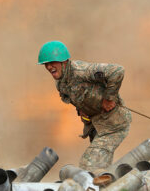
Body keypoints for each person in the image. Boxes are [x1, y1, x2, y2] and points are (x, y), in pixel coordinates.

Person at [38, 40, 131, 171]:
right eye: (46, 64)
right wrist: (82, 110)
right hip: (97, 126)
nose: (48, 67)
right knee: (101, 169)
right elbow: (76, 98)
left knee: (90, 164)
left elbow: (117, 71)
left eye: (52, 62)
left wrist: (109, 98)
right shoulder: (61, 84)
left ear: (64, 61)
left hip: (114, 124)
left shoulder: (82, 71)